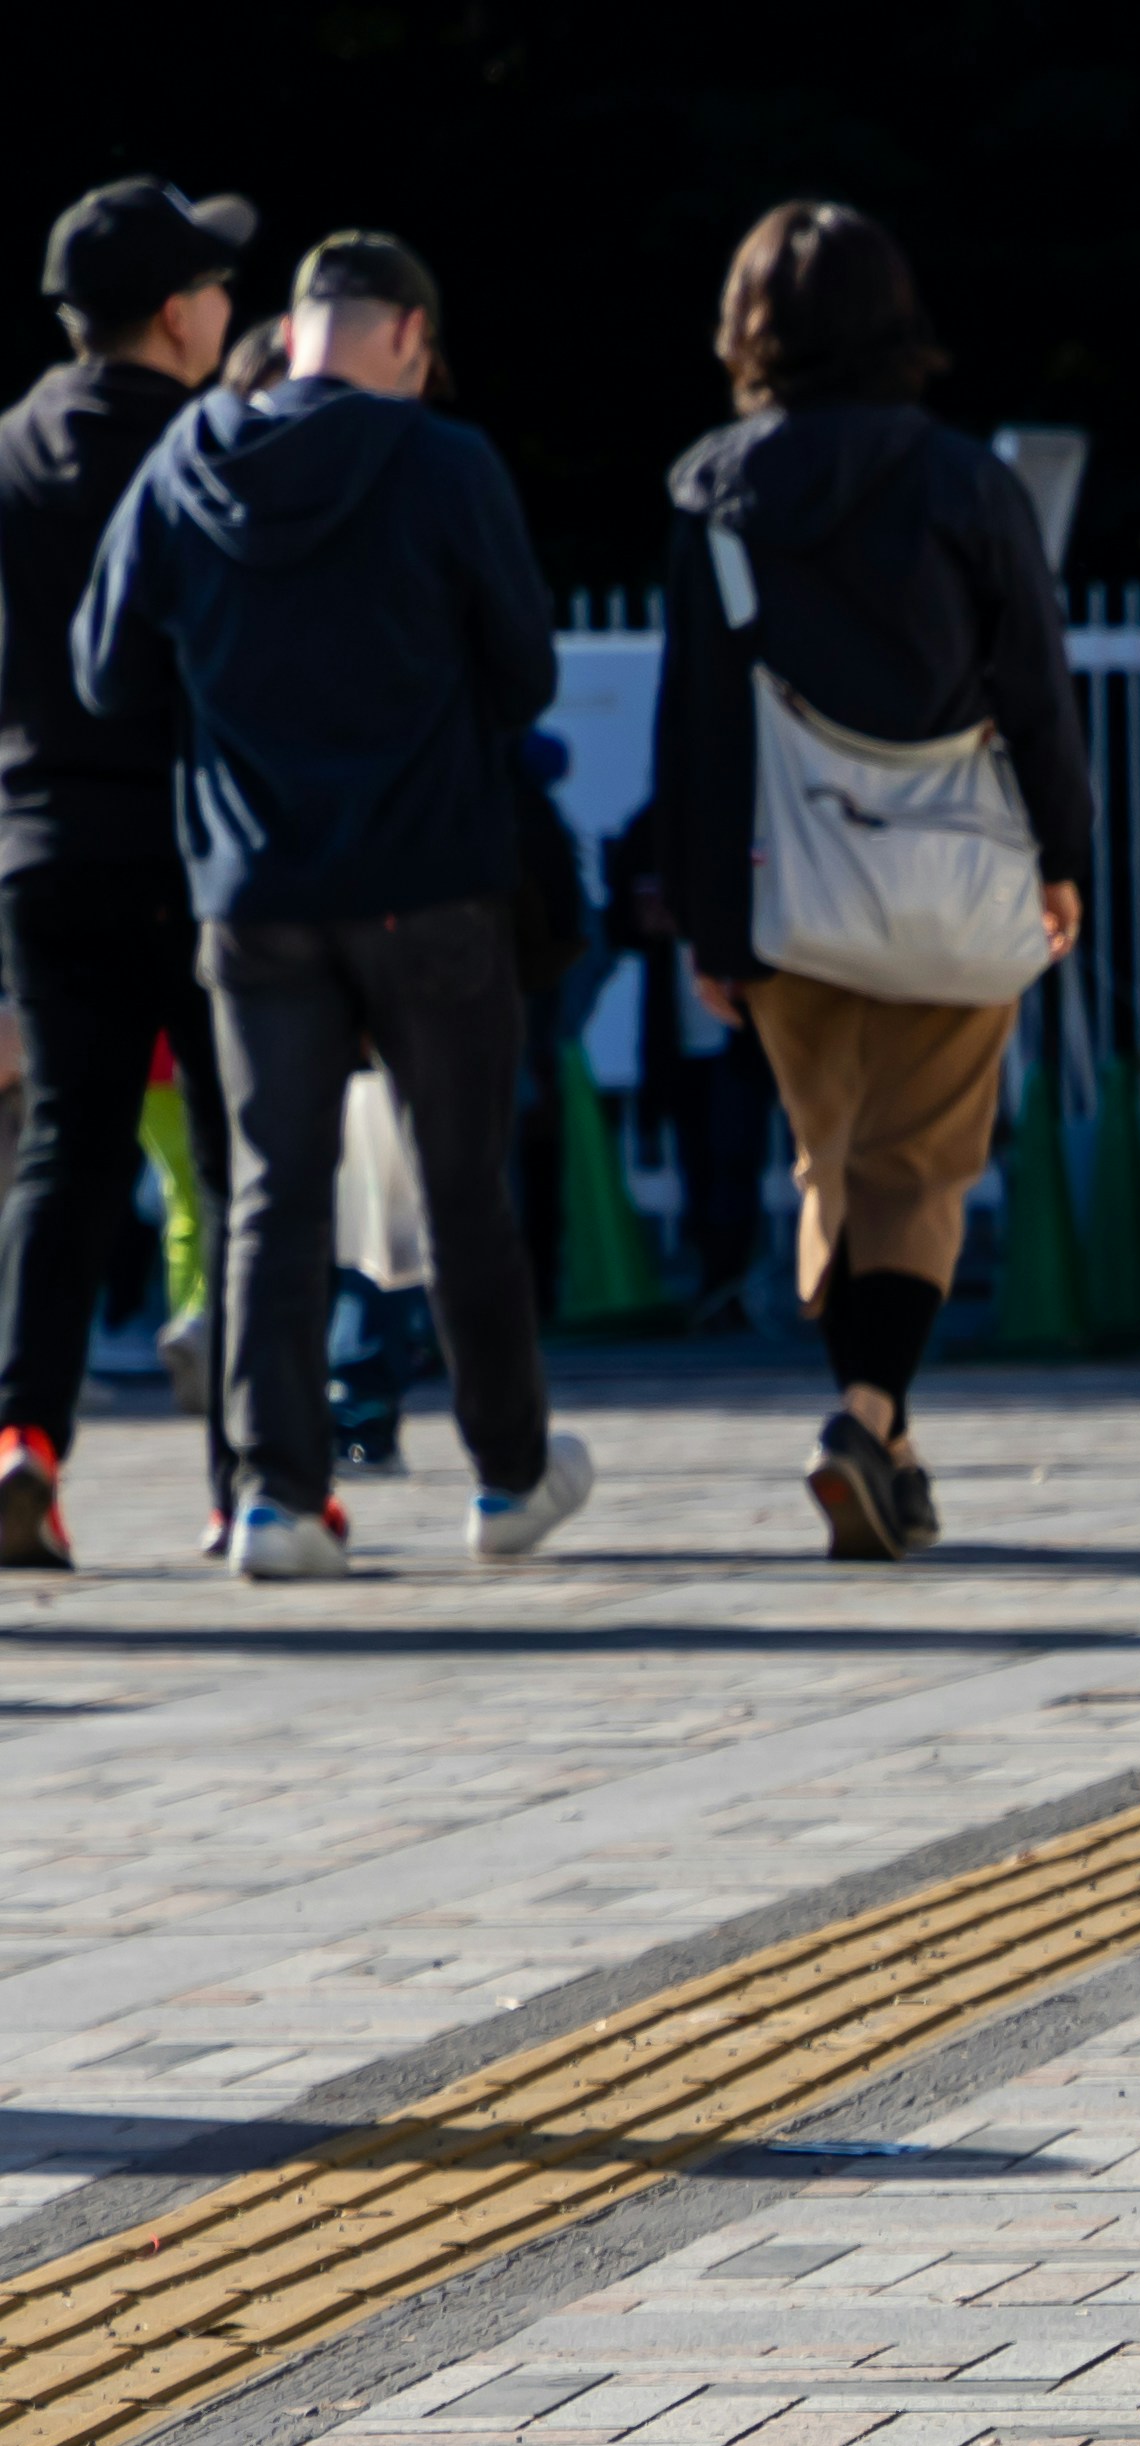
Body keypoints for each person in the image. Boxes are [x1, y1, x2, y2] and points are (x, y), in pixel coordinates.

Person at [75, 230, 589, 1580]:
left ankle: (280, 1503)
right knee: (463, 1183)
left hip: (252, 889)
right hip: (430, 882)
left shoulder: (188, 459)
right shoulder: (446, 465)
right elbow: (527, 674)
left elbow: (104, 673)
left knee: (272, 1195)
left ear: (297, 327)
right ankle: (510, 1479)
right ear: (408, 338)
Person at [654, 202, 1083, 1557]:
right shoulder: (968, 484)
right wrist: (1063, 860)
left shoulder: (711, 489)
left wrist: (710, 925)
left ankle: (878, 1438)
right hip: (955, 872)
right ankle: (871, 1408)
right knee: (922, 1162)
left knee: (830, 1161)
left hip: (789, 881)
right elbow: (1038, 693)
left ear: (750, 327)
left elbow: (699, 723)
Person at [0, 178, 249, 1569]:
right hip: (193, 837)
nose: (229, 307)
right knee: (231, 1155)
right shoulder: (213, 444)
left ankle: (21, 1437)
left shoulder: (7, 449)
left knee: (66, 1150)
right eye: (215, 286)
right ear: (173, 313)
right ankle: (250, 1478)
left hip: (41, 841)